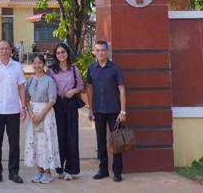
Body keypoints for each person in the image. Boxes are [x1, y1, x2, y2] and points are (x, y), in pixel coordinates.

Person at [0, 39, 27, 185]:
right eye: (1, 48)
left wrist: (23, 107)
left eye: (7, 48)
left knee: (14, 143)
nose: (4, 51)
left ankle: (14, 172)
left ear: (11, 50)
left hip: (13, 110)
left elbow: (21, 87)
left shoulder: (17, 67)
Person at [86, 40, 126, 183]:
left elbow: (122, 90)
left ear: (107, 51)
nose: (100, 53)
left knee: (116, 141)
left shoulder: (115, 68)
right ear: (94, 52)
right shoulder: (91, 68)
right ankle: (103, 170)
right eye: (97, 50)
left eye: (103, 50)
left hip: (114, 110)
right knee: (100, 140)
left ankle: (117, 172)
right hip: (98, 110)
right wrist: (90, 109)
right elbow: (89, 89)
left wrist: (123, 111)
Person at [47, 42, 84, 181]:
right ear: (55, 55)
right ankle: (59, 168)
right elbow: (47, 86)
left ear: (67, 53)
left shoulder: (74, 69)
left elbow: (81, 86)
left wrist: (73, 91)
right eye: (58, 53)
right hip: (56, 104)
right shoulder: (51, 71)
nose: (61, 55)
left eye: (63, 52)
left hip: (71, 104)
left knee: (72, 136)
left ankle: (71, 169)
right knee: (59, 136)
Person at [24, 54, 60, 184]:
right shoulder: (30, 81)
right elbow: (26, 99)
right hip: (33, 115)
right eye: (34, 63)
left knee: (45, 142)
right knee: (35, 142)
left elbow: (52, 100)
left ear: (43, 64)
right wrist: (31, 114)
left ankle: (48, 172)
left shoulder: (49, 80)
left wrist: (40, 116)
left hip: (46, 113)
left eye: (39, 63)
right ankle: (39, 171)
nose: (37, 65)